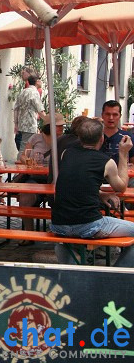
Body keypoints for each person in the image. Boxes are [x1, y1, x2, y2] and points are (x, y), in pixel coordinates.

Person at [51, 118, 134, 267]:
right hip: (89, 224)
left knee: (64, 241)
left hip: (58, 224)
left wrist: (100, 193)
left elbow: (79, 181)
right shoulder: (105, 161)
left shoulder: (66, 154)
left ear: (79, 137)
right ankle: (117, 274)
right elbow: (121, 187)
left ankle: (73, 268)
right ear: (101, 138)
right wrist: (123, 153)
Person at [16, 114, 65, 239]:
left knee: (63, 197)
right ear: (49, 127)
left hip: (56, 179)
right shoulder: (36, 138)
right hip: (36, 177)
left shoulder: (64, 140)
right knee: (24, 197)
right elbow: (22, 155)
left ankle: (61, 232)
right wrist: (27, 160)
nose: (61, 128)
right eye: (58, 126)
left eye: (62, 126)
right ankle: (29, 233)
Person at [13, 74, 46, 160]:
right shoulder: (34, 92)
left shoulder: (23, 91)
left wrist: (16, 123)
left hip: (21, 123)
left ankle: (20, 164)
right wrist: (47, 120)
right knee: (25, 148)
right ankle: (20, 166)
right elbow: (40, 110)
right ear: (37, 81)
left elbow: (16, 108)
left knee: (24, 146)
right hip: (30, 123)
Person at [100, 100, 134, 165]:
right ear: (102, 115)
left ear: (120, 116)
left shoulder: (128, 138)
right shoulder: (94, 136)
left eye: (115, 115)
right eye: (107, 114)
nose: (111, 118)